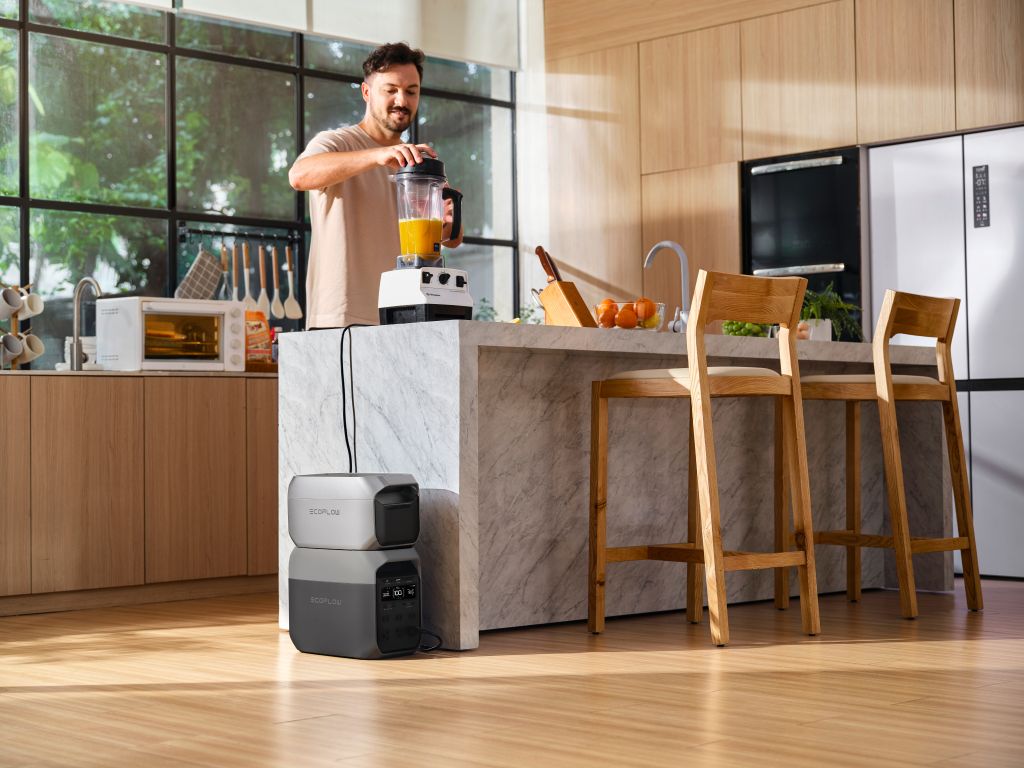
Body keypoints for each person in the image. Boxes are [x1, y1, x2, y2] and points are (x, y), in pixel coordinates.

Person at [289, 42, 463, 329]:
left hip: (405, 316)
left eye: (411, 91)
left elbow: (452, 238)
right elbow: (300, 176)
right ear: (367, 92)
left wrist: (447, 225)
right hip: (342, 318)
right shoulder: (335, 142)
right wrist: (378, 155)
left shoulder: (418, 162)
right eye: (391, 89)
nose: (402, 101)